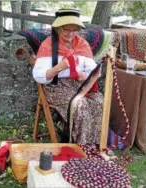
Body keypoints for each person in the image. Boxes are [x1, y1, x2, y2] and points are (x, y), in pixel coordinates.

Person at [32, 8, 103, 145]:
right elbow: (39, 76)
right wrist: (60, 67)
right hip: (56, 86)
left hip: (79, 84)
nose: (71, 34)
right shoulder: (48, 45)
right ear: (58, 28)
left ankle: (93, 143)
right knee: (80, 105)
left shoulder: (81, 44)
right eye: (66, 30)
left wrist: (86, 75)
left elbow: (92, 68)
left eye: (74, 30)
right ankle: (79, 144)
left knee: (98, 100)